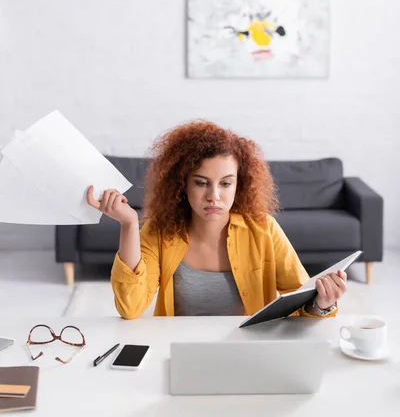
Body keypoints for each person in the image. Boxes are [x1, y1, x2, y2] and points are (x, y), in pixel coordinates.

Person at [87, 121, 347, 319]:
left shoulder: (263, 229)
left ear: (239, 186)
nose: (214, 196)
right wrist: (129, 225)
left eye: (225, 183)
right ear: (182, 185)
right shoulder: (159, 231)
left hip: (250, 350)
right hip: (182, 349)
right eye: (201, 183)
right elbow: (130, 308)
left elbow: (299, 302)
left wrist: (323, 303)